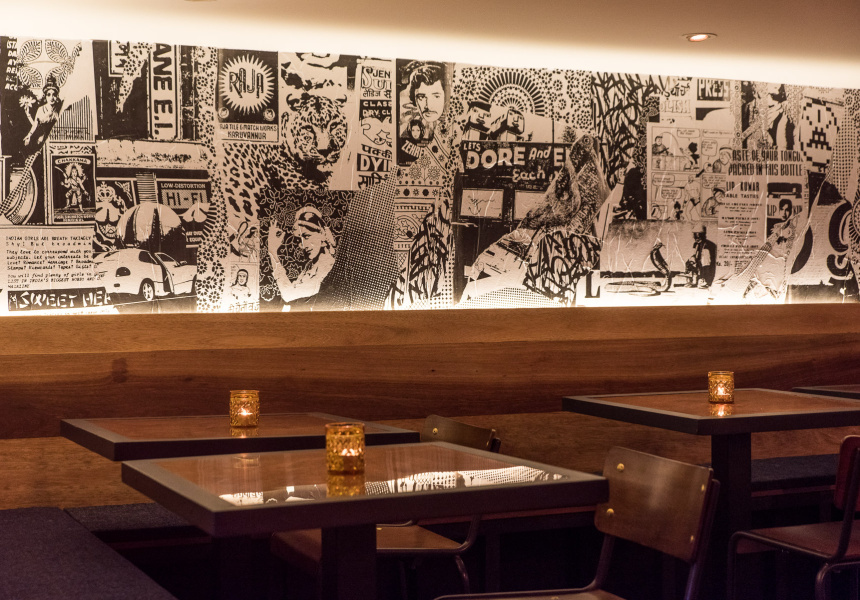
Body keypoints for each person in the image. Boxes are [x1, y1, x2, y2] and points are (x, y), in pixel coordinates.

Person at [266, 206, 336, 309]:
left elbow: (289, 295)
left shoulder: (326, 266)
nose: (303, 245)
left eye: (307, 236)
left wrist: (272, 252)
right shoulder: (311, 265)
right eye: (300, 240)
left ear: (321, 234)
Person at [21, 75, 64, 153]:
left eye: (54, 94)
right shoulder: (41, 109)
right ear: (45, 96)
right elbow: (35, 124)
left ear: (57, 96)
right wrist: (29, 135)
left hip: (55, 139)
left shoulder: (58, 109)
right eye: (49, 94)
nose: (51, 97)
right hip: (41, 139)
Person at [685, 223, 717, 288]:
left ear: (703, 235)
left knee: (704, 261)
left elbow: (707, 262)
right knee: (690, 262)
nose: (697, 238)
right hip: (699, 264)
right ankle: (694, 281)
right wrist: (691, 261)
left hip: (707, 267)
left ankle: (704, 281)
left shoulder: (708, 245)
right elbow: (694, 254)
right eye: (695, 235)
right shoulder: (696, 244)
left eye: (699, 235)